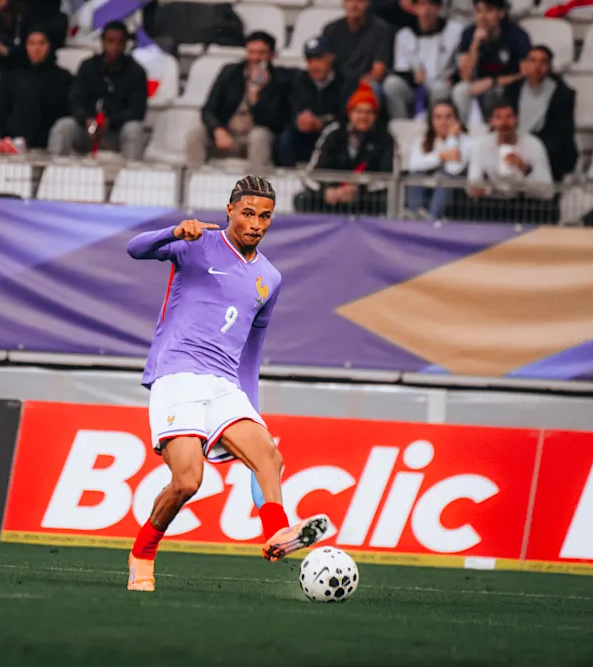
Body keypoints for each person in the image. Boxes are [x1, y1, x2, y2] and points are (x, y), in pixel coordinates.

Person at [124, 175, 330, 593]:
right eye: (248, 213)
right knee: (187, 480)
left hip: (224, 384)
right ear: (230, 210)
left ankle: (276, 532)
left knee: (268, 456)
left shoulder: (269, 278)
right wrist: (174, 231)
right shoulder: (197, 243)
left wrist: (250, 407)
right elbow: (135, 249)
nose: (256, 224)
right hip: (178, 373)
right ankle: (142, 553)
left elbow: (253, 347)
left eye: (265, 217)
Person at [185, 31, 287, 174]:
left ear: (271, 55)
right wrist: (218, 129)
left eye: (261, 53)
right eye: (251, 52)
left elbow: (273, 121)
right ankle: (194, 180)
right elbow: (208, 109)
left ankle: (256, 184)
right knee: (196, 134)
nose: (255, 58)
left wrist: (256, 96)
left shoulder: (280, 80)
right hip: (227, 134)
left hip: (254, 137)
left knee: (259, 136)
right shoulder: (230, 72)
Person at [48, 21, 147, 161]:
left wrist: (111, 121)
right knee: (63, 127)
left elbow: (137, 110)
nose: (114, 47)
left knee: (134, 129)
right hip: (88, 129)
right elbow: (75, 101)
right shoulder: (88, 67)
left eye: (120, 42)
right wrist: (86, 119)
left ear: (125, 44)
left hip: (117, 133)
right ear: (102, 42)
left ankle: (132, 172)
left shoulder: (136, 72)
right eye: (110, 41)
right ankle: (53, 169)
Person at [294, 82, 396, 215]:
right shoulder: (333, 133)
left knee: (383, 201)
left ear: (375, 116)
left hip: (365, 198)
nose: (363, 117)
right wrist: (328, 192)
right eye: (359, 111)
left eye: (369, 112)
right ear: (350, 113)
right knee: (302, 199)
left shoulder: (385, 138)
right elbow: (312, 173)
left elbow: (388, 177)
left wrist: (358, 191)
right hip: (332, 196)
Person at [0, 26, 72, 153]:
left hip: (42, 129)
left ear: (50, 46)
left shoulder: (62, 77)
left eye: (41, 43)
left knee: (28, 89)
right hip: (7, 132)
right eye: (31, 43)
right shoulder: (15, 74)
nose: (36, 49)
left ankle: (19, 140)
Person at [462, 98, 556, 223]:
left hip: (524, 204)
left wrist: (525, 170)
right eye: (498, 117)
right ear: (491, 122)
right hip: (492, 202)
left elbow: (548, 192)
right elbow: (472, 184)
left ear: (516, 119)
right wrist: (483, 188)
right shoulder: (482, 145)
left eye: (509, 117)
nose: (504, 123)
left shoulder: (533, 145)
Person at [502, 45, 577, 183]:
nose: (537, 66)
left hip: (548, 149)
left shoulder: (563, 95)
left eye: (543, 62)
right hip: (514, 141)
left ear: (549, 66)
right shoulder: (512, 89)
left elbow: (561, 133)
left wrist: (531, 149)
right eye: (533, 61)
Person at [451, 0, 530, 125]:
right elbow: (465, 76)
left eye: (488, 11)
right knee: (460, 90)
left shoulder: (517, 35)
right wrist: (475, 44)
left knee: (497, 91)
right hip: (478, 85)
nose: (483, 17)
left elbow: (526, 73)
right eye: (478, 11)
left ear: (501, 13)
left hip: (508, 86)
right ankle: (461, 129)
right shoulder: (469, 33)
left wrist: (493, 81)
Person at [383, 0, 463, 120]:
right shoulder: (404, 35)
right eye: (422, 4)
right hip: (414, 89)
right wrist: (414, 78)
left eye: (431, 4)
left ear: (439, 7)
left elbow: (460, 66)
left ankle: (435, 125)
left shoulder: (454, 31)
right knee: (391, 84)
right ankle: (400, 124)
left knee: (439, 88)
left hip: (442, 86)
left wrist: (452, 79)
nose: (426, 10)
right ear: (414, 8)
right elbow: (401, 69)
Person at [277, 36, 344, 167]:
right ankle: (288, 175)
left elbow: (345, 115)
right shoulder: (299, 81)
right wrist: (298, 120)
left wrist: (322, 123)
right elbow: (289, 111)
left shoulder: (344, 82)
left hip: (331, 136)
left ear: (330, 58)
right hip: (304, 137)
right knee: (286, 138)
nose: (313, 65)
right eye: (310, 60)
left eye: (318, 59)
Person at [406, 99, 469, 219]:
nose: (443, 122)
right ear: (431, 121)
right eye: (438, 117)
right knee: (416, 176)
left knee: (446, 177)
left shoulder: (466, 141)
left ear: (456, 120)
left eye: (448, 117)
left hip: (455, 191)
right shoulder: (422, 140)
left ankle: (432, 219)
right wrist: (441, 157)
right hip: (426, 186)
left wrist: (451, 138)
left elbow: (453, 169)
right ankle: (415, 216)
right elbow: (414, 165)